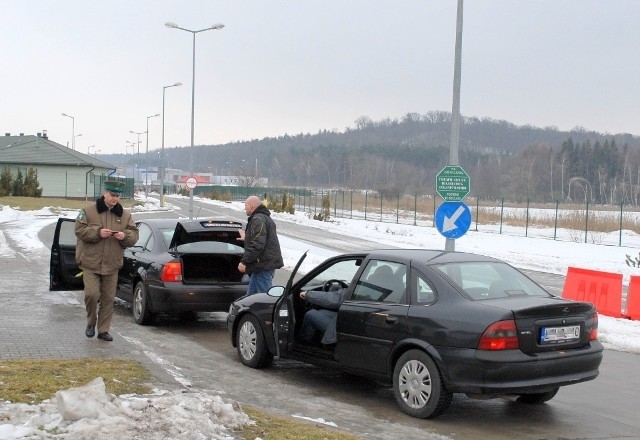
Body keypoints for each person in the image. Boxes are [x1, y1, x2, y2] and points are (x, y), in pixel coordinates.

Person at [75, 180, 139, 342]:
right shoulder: (89, 211)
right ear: (105, 193)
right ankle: (91, 322)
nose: (115, 199)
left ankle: (103, 330)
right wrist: (97, 232)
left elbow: (134, 234)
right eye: (112, 195)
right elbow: (79, 230)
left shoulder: (124, 215)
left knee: (108, 299)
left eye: (117, 196)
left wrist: (125, 236)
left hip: (112, 264)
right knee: (91, 294)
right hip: (90, 262)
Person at [237, 195, 284, 295]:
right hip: (260, 267)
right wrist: (246, 238)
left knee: (265, 299)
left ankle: (270, 311)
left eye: (245, 205)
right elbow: (262, 239)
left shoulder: (258, 219)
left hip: (263, 266)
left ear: (251, 206)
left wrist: (244, 261)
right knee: (251, 299)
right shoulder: (262, 218)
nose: (244, 208)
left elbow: (258, 244)